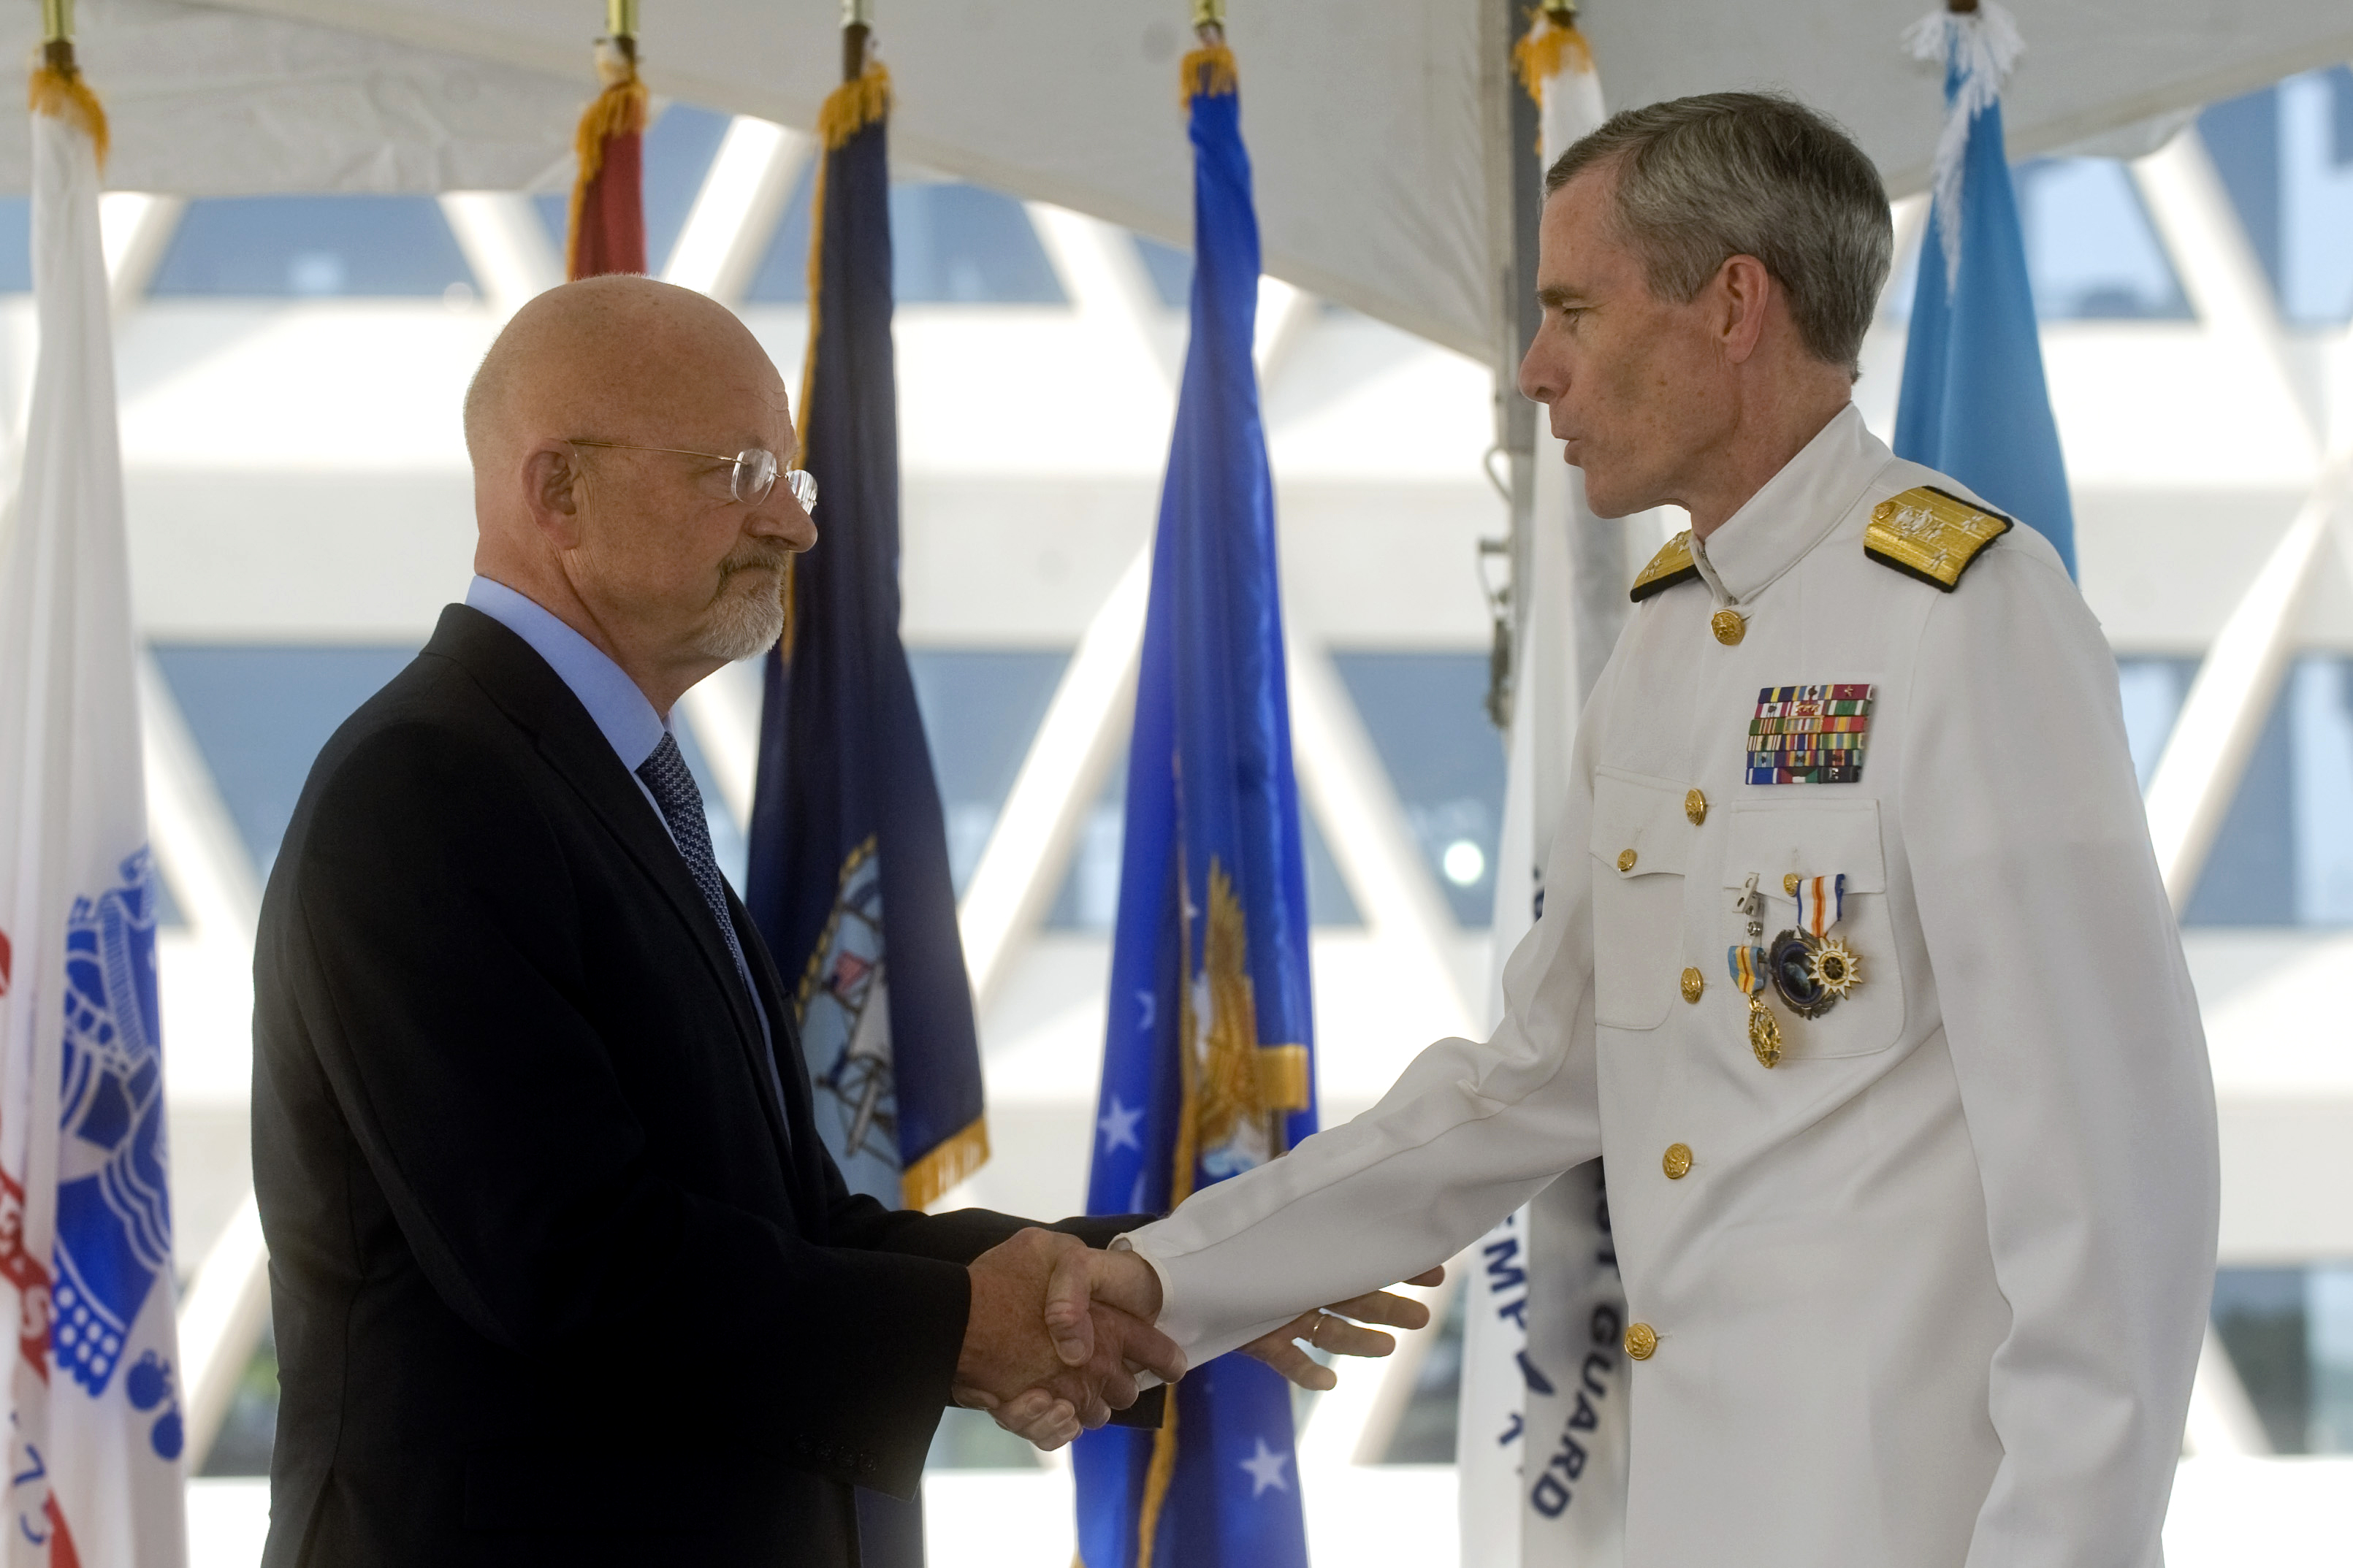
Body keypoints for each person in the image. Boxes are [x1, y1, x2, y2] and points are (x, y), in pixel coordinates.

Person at [1048, 93, 2220, 1567]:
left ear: (1734, 304)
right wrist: (1162, 1277)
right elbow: (1530, 1078)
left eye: (1573, 311)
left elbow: (2117, 1185)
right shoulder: (1665, 642)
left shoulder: (1968, 614)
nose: (1537, 370)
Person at [249, 275, 1415, 1567]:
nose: (793, 529)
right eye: (741, 470)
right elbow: (566, 1263)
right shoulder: (430, 785)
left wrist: (1184, 1269)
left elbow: (795, 1225)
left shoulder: (602, 788)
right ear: (557, 492)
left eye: (791, 479)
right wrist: (964, 1334)